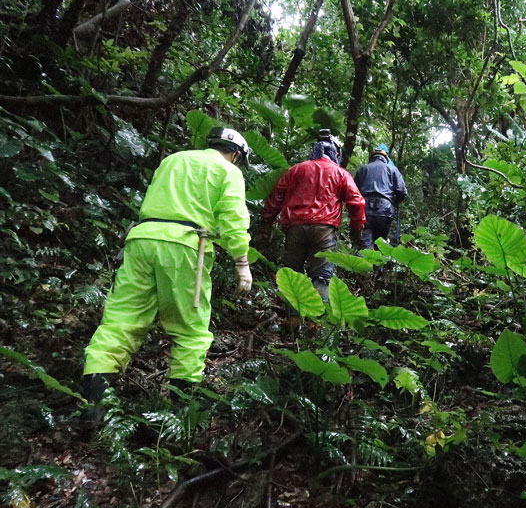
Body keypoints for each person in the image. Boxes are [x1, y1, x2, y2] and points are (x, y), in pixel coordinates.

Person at [81, 127, 253, 419]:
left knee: (121, 319)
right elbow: (233, 217)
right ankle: (178, 411)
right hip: (185, 246)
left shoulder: (173, 159)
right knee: (189, 327)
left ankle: (93, 401)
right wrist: (241, 262)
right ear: (236, 155)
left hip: (140, 240)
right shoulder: (229, 171)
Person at [259, 129, 365, 302]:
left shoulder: (295, 170)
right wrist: (357, 229)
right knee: (322, 277)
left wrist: (266, 223)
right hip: (324, 229)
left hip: (295, 227)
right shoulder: (340, 173)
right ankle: (316, 323)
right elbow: (357, 202)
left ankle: (292, 320)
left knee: (292, 277)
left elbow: (276, 197)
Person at [354, 146, 407, 249]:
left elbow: (354, 192)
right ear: (385, 158)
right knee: (381, 244)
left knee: (366, 241)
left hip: (365, 209)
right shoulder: (393, 170)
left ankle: (366, 262)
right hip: (385, 210)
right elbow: (402, 192)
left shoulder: (362, 170)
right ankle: (378, 264)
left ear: (372, 157)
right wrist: (394, 203)